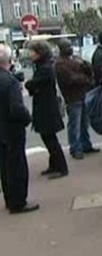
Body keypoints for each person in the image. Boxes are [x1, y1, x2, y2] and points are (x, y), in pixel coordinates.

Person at [0, 45, 38, 214]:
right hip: (12, 129)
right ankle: (18, 202)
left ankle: (10, 199)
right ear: (9, 60)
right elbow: (16, 108)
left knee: (5, 167)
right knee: (17, 165)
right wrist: (27, 118)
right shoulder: (10, 82)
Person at [24, 40, 69, 180]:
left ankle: (61, 167)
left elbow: (33, 84)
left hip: (47, 109)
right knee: (48, 138)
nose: (30, 54)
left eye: (32, 52)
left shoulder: (45, 68)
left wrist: (28, 84)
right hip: (45, 107)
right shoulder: (43, 66)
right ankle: (54, 165)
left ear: (39, 53)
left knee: (50, 139)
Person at [54, 39, 97, 160]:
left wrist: (85, 66)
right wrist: (85, 78)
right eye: (67, 47)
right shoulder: (60, 64)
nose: (70, 48)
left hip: (83, 94)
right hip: (72, 97)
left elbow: (89, 71)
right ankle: (75, 148)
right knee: (75, 124)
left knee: (84, 123)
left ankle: (86, 144)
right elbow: (70, 79)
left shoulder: (76, 59)